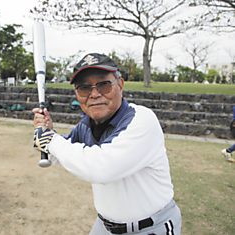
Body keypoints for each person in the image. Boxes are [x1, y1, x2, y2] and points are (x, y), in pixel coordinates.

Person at [33, 53, 182, 235]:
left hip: (150, 227)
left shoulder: (142, 119)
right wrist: (48, 133)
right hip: (104, 226)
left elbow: (101, 168)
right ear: (77, 94)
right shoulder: (86, 125)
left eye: (103, 85)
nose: (94, 94)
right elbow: (62, 154)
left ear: (120, 85)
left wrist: (51, 140)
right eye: (84, 88)